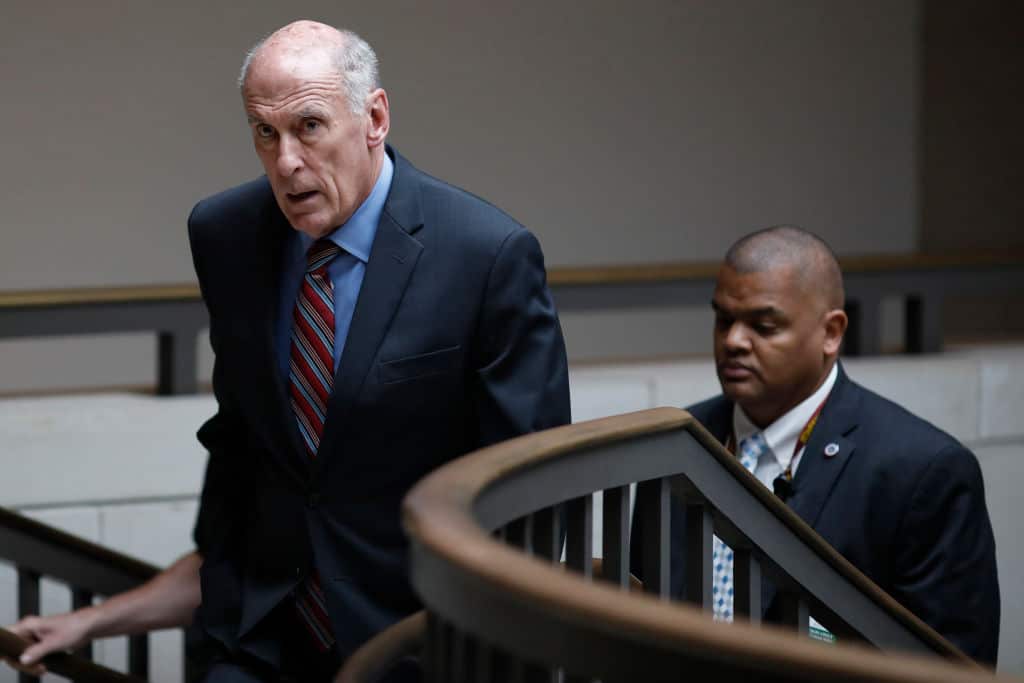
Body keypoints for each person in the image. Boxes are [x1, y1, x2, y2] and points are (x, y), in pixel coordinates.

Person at [7, 20, 570, 682]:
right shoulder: (226, 233)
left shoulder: (487, 255)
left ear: (375, 118)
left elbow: (532, 502)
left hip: (423, 648)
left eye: (309, 126)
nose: (286, 162)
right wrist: (95, 619)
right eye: (264, 133)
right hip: (258, 644)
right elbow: (246, 454)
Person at [632, 225, 999, 665]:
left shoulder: (922, 471)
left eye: (763, 326)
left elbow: (954, 668)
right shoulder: (674, 443)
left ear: (831, 332)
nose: (733, 341)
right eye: (723, 320)